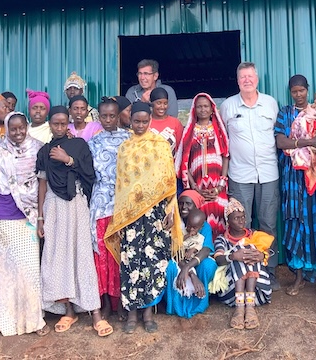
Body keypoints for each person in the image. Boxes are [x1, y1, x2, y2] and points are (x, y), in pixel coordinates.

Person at [104, 102, 183, 334]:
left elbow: (169, 181)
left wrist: (170, 210)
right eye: (136, 121)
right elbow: (121, 186)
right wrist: (121, 217)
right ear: (130, 121)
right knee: (131, 262)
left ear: (150, 120)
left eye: (144, 121)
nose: (140, 125)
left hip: (155, 214)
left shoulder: (160, 145)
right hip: (131, 216)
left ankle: (148, 314)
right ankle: (131, 314)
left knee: (152, 262)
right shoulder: (125, 148)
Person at [36, 106, 112, 336]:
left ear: (68, 123)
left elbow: (90, 175)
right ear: (50, 124)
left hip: (76, 203)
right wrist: (40, 217)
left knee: (82, 254)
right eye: (55, 123)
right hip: (53, 205)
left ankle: (95, 312)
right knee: (58, 256)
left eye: (63, 123)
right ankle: (68, 310)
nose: (59, 127)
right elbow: (42, 184)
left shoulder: (79, 145)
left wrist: (68, 159)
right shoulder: (44, 151)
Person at [0, 112, 48, 337]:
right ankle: (3, 320)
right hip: (1, 215)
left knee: (29, 269)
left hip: (29, 215)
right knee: (2, 270)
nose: (18, 133)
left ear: (27, 127)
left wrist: (41, 216)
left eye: (21, 128)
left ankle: (33, 320)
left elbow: (42, 184)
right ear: (7, 129)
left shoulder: (38, 149)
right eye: (13, 129)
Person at [219, 62, 281, 290]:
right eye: (242, 77)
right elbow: (222, 138)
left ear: (257, 79)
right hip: (239, 174)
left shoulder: (270, 103)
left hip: (268, 173)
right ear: (237, 81)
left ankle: (267, 270)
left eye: (250, 76)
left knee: (267, 223)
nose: (247, 80)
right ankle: (243, 271)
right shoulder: (228, 106)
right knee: (241, 225)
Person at [274, 75, 316, 296]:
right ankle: (298, 277)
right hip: (293, 178)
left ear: (308, 90)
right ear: (290, 92)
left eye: (301, 90)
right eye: (294, 91)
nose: (298, 95)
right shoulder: (285, 113)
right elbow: (281, 142)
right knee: (295, 223)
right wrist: (307, 142)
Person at [87, 98, 131, 319]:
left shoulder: (129, 139)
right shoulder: (93, 142)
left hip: (123, 203)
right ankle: (104, 301)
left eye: (112, 116)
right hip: (101, 202)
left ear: (118, 115)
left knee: (121, 253)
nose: (107, 120)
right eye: (103, 116)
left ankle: (121, 301)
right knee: (102, 253)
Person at [175, 92, 229, 238]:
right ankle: (203, 249)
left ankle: (220, 248)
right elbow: (184, 161)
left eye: (206, 106)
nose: (203, 109)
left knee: (220, 215)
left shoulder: (219, 130)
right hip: (198, 186)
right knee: (200, 218)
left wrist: (220, 185)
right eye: (199, 106)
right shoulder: (189, 132)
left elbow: (226, 156)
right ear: (194, 109)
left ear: (212, 109)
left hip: (218, 184)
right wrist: (194, 187)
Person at [213, 198, 272, 330]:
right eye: (236, 218)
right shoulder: (222, 239)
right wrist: (233, 256)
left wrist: (262, 255)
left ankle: (248, 307)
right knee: (239, 251)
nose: (241, 221)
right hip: (231, 293)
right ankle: (241, 308)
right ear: (228, 221)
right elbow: (218, 259)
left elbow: (267, 253)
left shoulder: (254, 235)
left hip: (258, 293)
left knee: (250, 247)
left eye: (243, 217)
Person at [165, 190, 218, 319]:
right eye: (181, 203)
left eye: (188, 204)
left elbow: (206, 249)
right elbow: (172, 252)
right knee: (169, 267)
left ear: (196, 206)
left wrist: (188, 268)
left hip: (195, 260)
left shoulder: (203, 226)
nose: (184, 207)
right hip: (178, 260)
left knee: (208, 265)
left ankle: (200, 301)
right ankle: (175, 305)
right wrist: (190, 272)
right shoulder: (172, 223)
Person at [149, 87, 183, 155]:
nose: (162, 107)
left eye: (165, 103)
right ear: (151, 103)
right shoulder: (146, 122)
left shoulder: (175, 123)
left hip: (171, 161)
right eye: (159, 103)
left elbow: (181, 148)